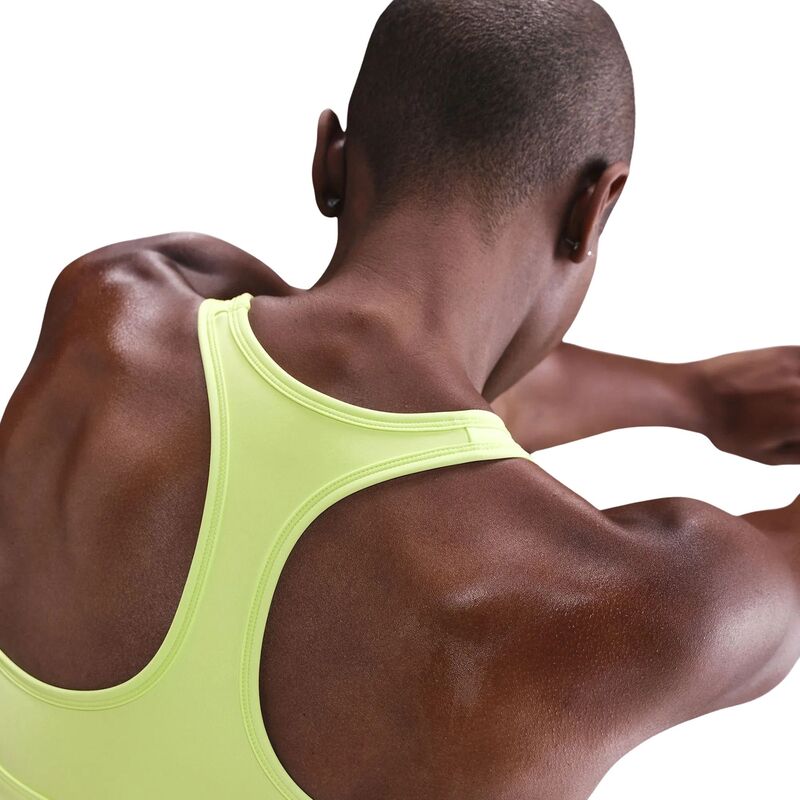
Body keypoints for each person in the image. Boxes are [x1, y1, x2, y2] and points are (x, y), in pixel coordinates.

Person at [1, 1, 798, 798]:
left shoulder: (112, 312)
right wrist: (692, 399)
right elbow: (413, 406)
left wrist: (695, 396)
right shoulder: (637, 603)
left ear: (328, 160)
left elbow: (354, 391)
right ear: (596, 207)